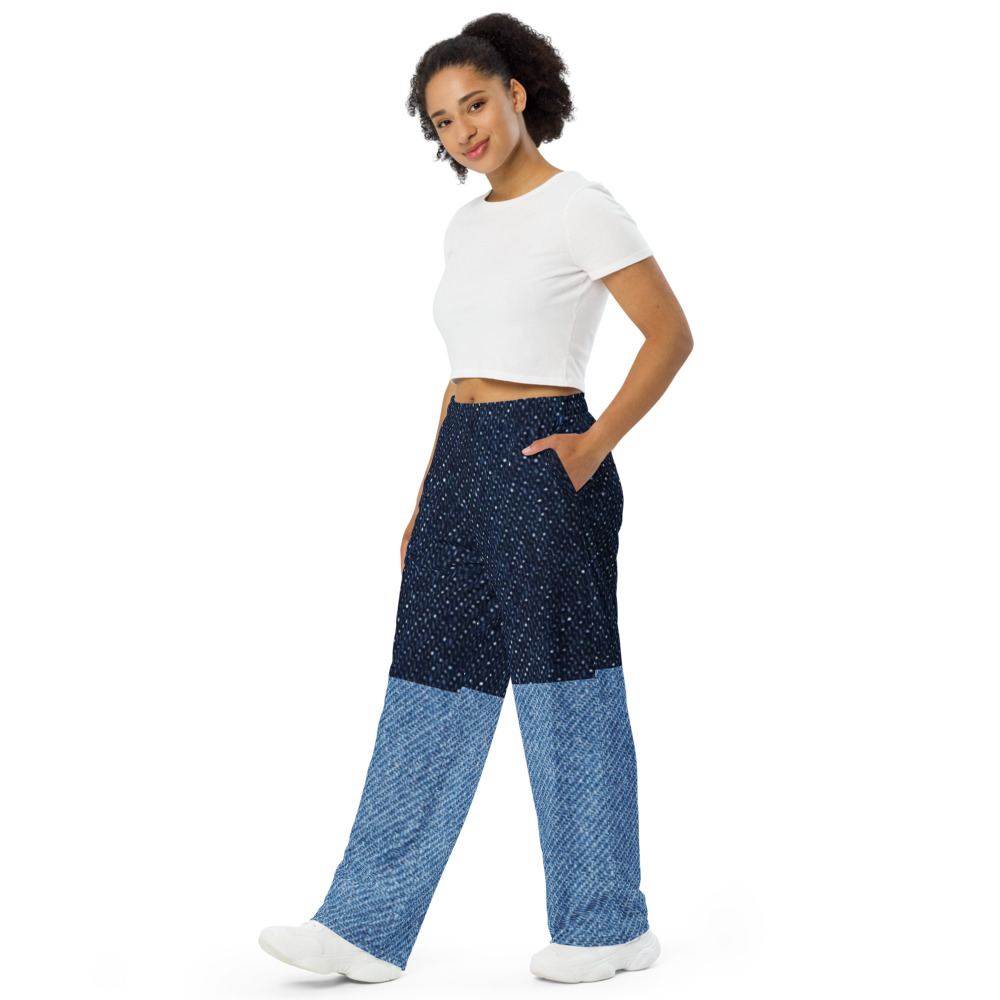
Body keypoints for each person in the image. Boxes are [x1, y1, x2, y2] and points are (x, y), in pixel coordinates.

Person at [259, 12, 693, 985]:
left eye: (475, 105)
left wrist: (589, 449)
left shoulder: (581, 206)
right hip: (461, 459)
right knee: (426, 685)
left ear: (516, 95)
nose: (464, 131)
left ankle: (605, 922)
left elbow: (670, 335)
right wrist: (428, 492)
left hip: (545, 453)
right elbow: (462, 371)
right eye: (443, 121)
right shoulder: (464, 225)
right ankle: (363, 924)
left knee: (566, 688)